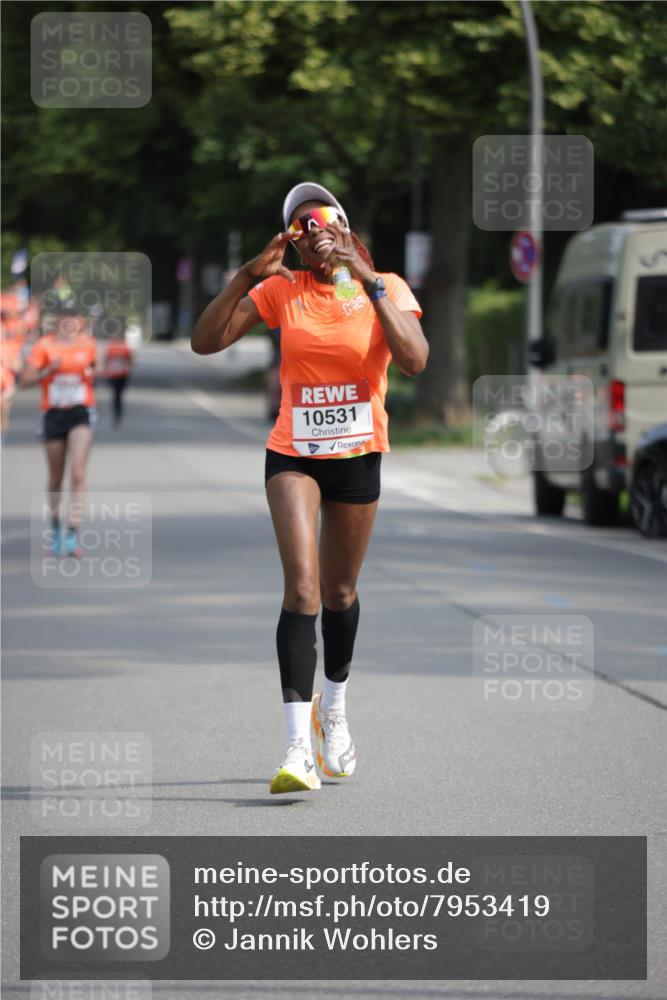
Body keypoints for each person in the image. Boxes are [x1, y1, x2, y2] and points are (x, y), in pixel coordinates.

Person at [192, 182, 428, 794]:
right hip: (293, 453)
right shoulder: (281, 290)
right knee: (302, 589)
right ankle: (297, 747)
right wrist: (247, 273)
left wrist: (368, 280)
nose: (312, 229)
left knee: (340, 592)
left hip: (358, 455)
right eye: (299, 225)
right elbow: (205, 341)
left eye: (322, 218)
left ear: (345, 227)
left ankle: (335, 712)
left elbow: (415, 359)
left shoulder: (388, 287)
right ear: (291, 242)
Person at [20, 301, 99, 556]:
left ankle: (72, 535)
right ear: (56, 322)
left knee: (77, 473)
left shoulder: (87, 344)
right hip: (53, 413)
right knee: (56, 476)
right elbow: (24, 381)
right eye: (64, 318)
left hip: (80, 411)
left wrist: (92, 373)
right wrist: (47, 370)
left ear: (80, 322)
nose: (69, 322)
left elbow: (96, 368)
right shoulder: (45, 346)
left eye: (74, 318)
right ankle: (55, 529)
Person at [103, 331, 133, 427]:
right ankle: (117, 414)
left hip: (123, 375)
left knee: (118, 396)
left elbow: (130, 360)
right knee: (116, 395)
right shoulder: (111, 346)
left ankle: (118, 414)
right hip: (113, 375)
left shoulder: (125, 347)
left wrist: (126, 367)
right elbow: (106, 359)